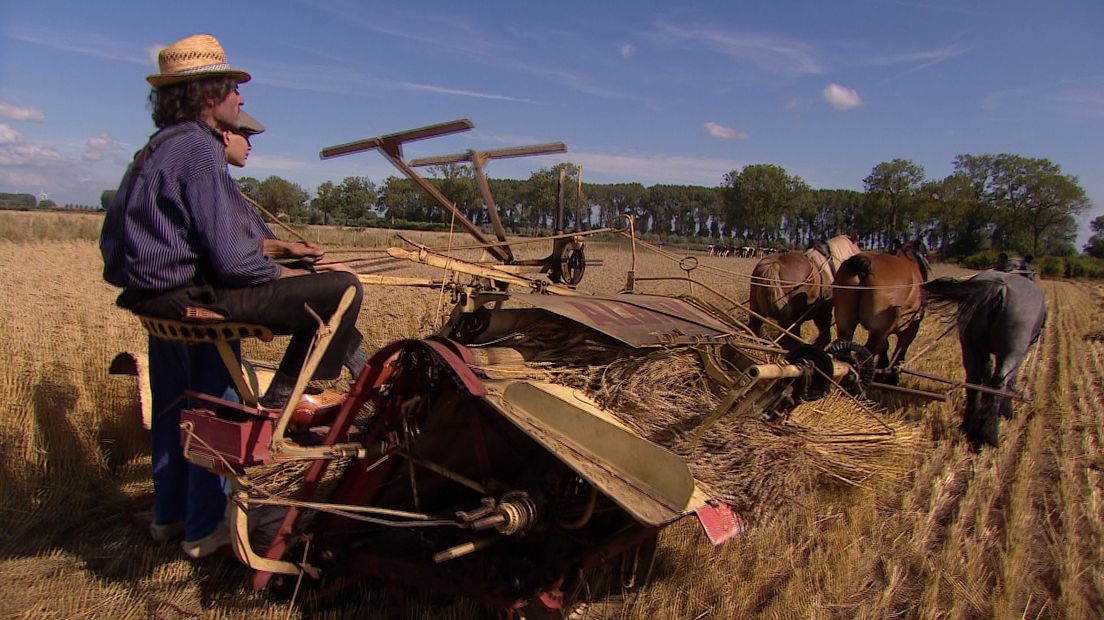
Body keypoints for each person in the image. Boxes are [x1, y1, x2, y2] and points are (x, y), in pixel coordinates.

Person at [100, 34, 366, 558]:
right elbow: (233, 263)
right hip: (197, 299)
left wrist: (279, 249)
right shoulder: (200, 148)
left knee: (182, 404)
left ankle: (174, 519)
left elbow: (172, 236)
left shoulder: (156, 148)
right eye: (234, 89)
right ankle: (278, 409)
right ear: (208, 93)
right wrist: (287, 274)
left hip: (158, 299)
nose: (241, 99)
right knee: (342, 290)